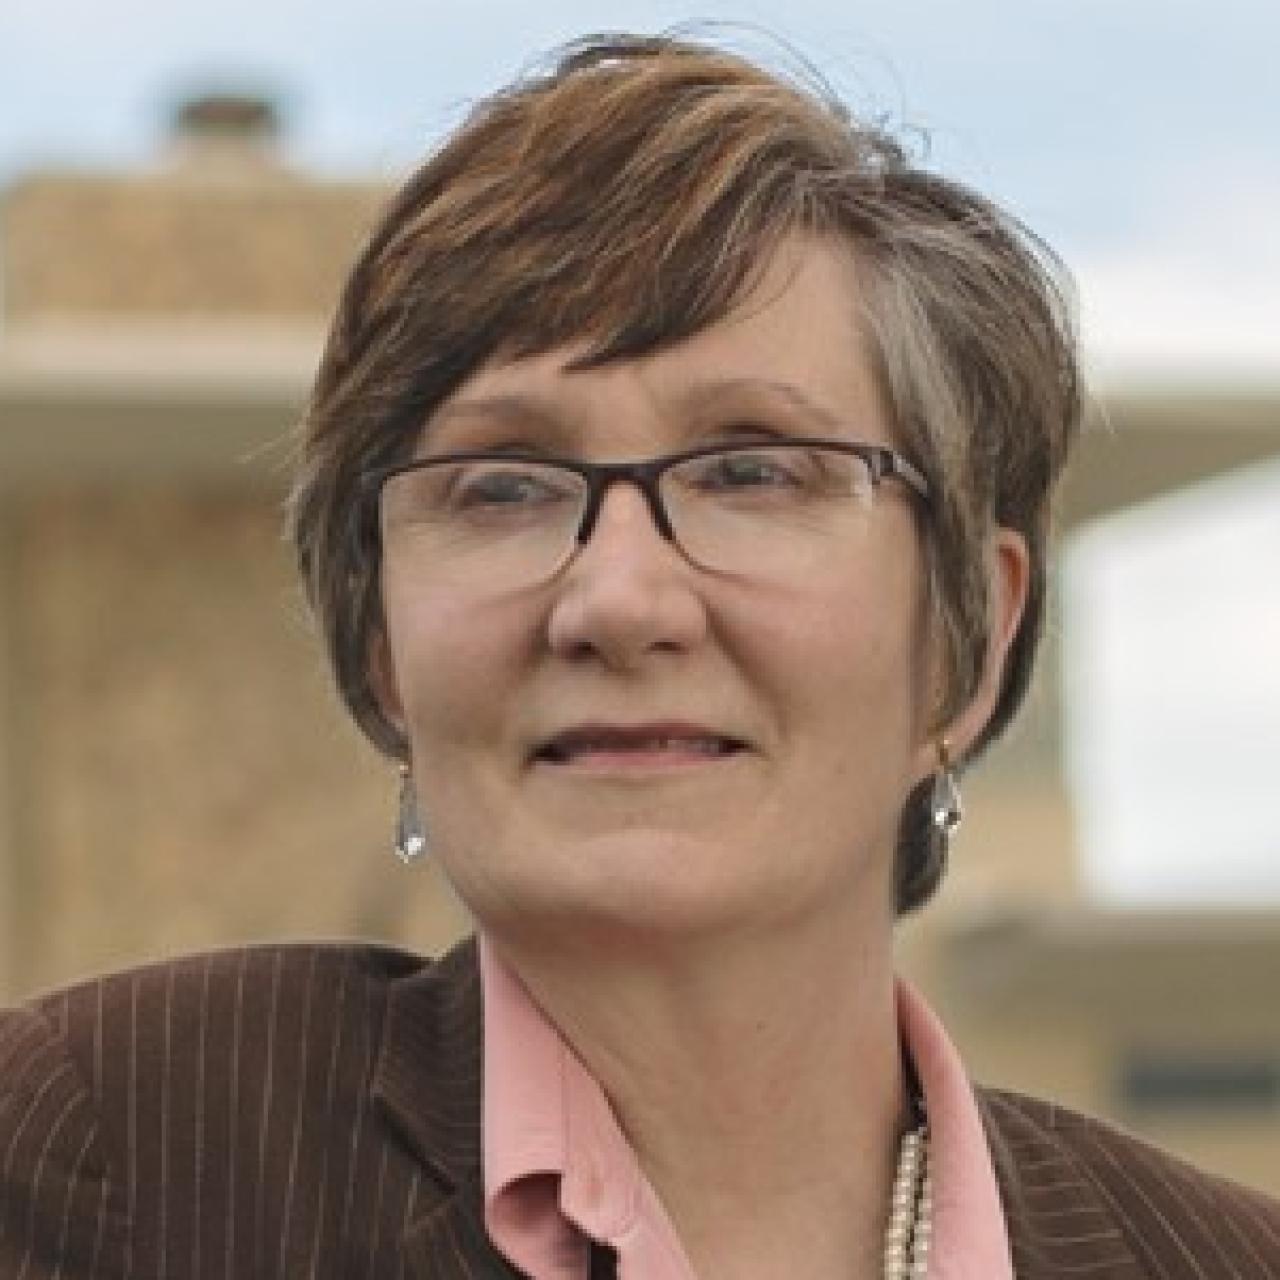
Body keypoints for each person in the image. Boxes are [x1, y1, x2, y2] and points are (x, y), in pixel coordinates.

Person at [2, 31, 1277, 1280]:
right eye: (501, 486)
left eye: (751, 469)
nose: (616, 599)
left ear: (970, 636)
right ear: (382, 643)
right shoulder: (99, 1162)